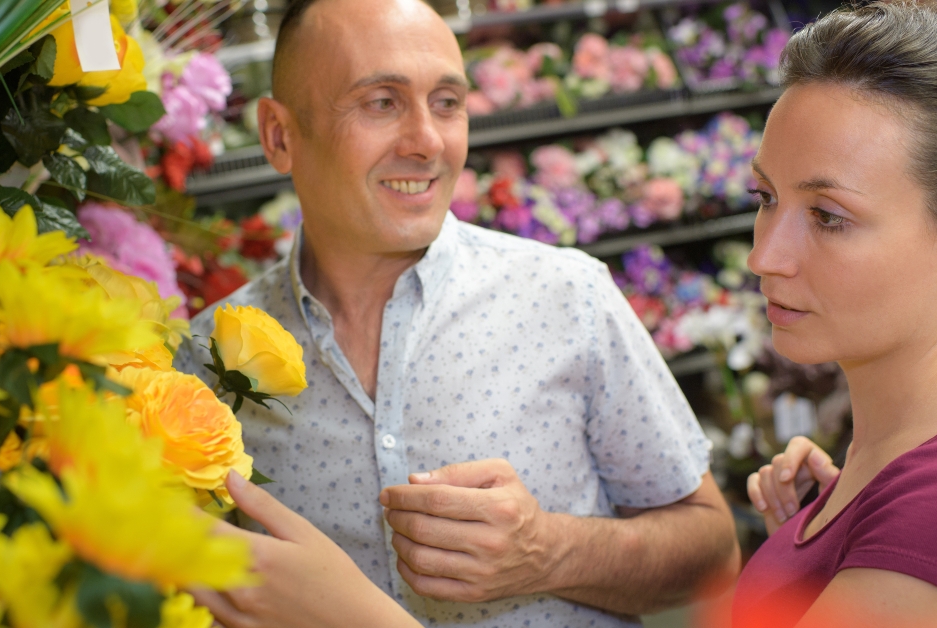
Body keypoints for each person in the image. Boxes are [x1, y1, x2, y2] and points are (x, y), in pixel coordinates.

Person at [178, 0, 740, 626]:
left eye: (447, 102)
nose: (428, 142)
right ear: (279, 136)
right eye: (381, 102)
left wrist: (547, 553)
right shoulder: (205, 362)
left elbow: (714, 557)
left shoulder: (566, 295)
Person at [734, 2, 937, 626]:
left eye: (828, 217)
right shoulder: (898, 462)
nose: (764, 257)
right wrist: (825, 541)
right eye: (765, 197)